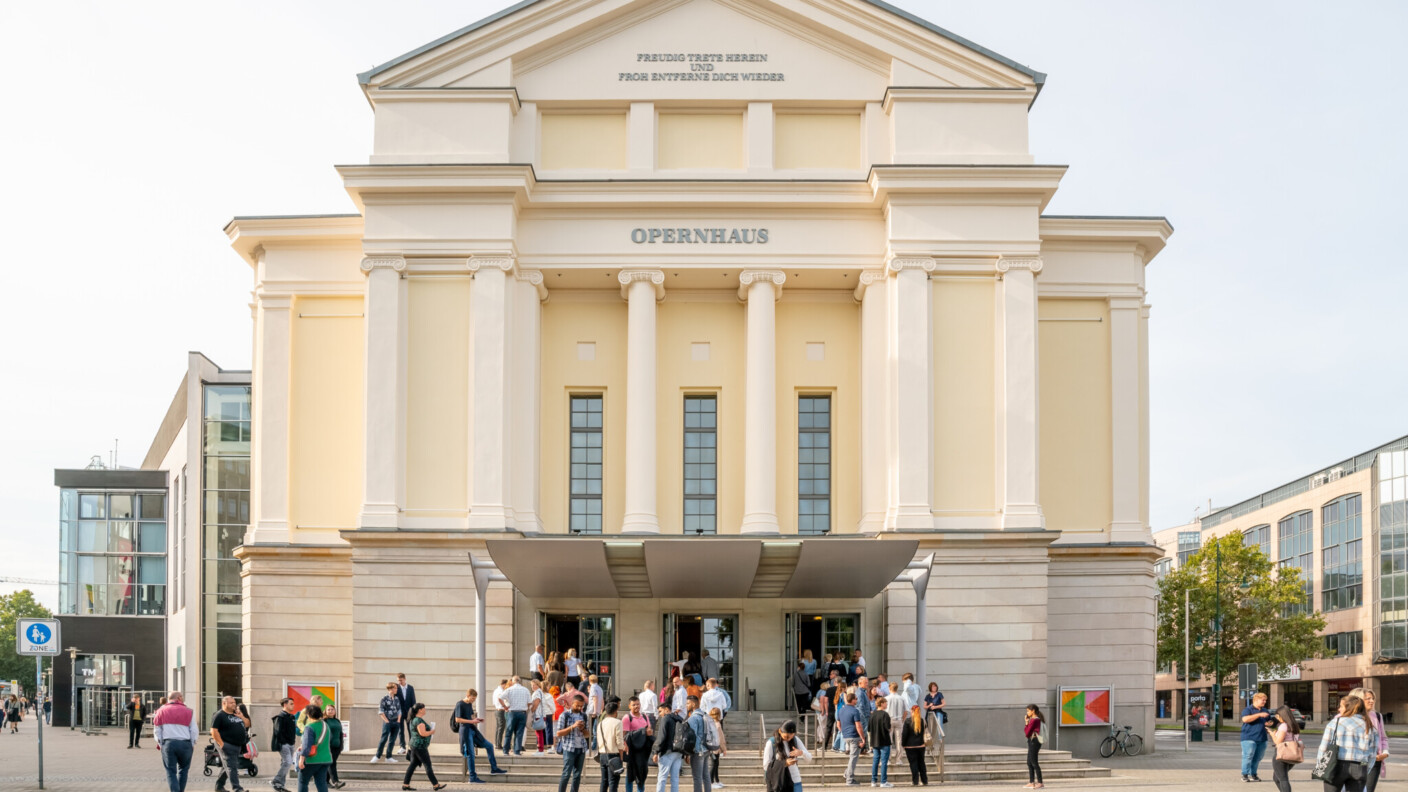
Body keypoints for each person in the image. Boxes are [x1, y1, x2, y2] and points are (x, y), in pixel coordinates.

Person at [1316, 694, 1377, 792]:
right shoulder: (1369, 726)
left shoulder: (1335, 723)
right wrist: (1365, 769)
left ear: (1348, 708)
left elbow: (1323, 748)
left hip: (1336, 765)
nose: (1339, 709)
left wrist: (1321, 766)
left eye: (1341, 706)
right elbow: (1372, 754)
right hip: (1360, 766)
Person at [453, 688, 507, 782]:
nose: (473, 700)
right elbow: (458, 719)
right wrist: (472, 721)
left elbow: (470, 716)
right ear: (468, 695)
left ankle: (494, 769)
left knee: (489, 746)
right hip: (465, 731)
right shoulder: (460, 704)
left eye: (474, 699)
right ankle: (472, 778)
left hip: (472, 730)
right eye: (472, 698)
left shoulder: (469, 704)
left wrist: (477, 719)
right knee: (471, 754)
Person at [154, 691, 199, 792]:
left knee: (170, 771)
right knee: (183, 770)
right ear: (178, 698)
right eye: (182, 696)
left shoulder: (161, 710)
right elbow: (194, 730)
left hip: (169, 743)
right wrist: (192, 743)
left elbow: (157, 730)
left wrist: (161, 744)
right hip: (185, 743)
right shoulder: (188, 711)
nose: (183, 698)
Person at [1349, 687, 1390, 792]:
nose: (1371, 701)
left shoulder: (1377, 716)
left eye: (1372, 698)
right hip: (1354, 762)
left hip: (1374, 761)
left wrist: (1385, 752)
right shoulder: (1345, 717)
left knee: (1369, 790)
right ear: (1357, 700)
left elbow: (1383, 738)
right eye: (1368, 698)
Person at [211, 695, 253, 792]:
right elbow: (213, 731)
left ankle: (219, 787)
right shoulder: (219, 715)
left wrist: (241, 716)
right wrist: (222, 744)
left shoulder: (236, 714)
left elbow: (248, 724)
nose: (234, 704)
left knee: (228, 765)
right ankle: (237, 788)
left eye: (234, 702)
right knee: (232, 767)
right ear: (224, 703)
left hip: (237, 745)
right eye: (231, 703)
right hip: (226, 743)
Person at [402, 703, 446, 792]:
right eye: (424, 708)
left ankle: (405, 784)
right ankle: (435, 785)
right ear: (420, 710)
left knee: (413, 765)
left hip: (415, 745)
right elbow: (422, 733)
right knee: (427, 765)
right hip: (420, 746)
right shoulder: (418, 720)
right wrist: (431, 732)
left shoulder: (414, 719)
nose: (425, 709)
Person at [763, 720, 812, 792]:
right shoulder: (771, 743)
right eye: (786, 736)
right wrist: (784, 763)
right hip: (780, 783)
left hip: (795, 781)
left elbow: (809, 759)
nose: (789, 739)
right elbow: (766, 765)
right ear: (780, 731)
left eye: (791, 737)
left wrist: (801, 753)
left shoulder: (796, 740)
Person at [295, 703, 334, 792]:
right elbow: (329, 739)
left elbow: (306, 745)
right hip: (326, 759)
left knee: (303, 782)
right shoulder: (325, 725)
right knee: (321, 783)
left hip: (312, 760)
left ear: (309, 715)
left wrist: (301, 759)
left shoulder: (309, 727)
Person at [558, 694, 590, 792]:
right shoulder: (565, 715)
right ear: (572, 703)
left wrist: (582, 728)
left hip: (581, 748)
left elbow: (588, 734)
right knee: (566, 773)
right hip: (569, 748)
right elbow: (559, 733)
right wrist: (573, 726)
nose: (580, 708)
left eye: (582, 706)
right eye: (578, 705)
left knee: (577, 775)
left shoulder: (584, 716)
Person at [1266, 704, 1302, 792]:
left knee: (1283, 779)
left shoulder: (1283, 726)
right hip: (1292, 755)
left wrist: (1272, 734)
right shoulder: (1294, 725)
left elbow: (1278, 742)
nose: (1277, 718)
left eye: (1278, 716)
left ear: (1282, 715)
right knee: (1276, 778)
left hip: (1282, 755)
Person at [1240, 691, 1273, 783]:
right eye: (1263, 700)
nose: (1264, 702)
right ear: (1256, 700)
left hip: (1262, 738)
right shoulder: (1248, 709)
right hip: (1248, 737)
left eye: (1265, 700)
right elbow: (1245, 719)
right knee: (1248, 756)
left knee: (1258, 757)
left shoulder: (1265, 710)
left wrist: (1269, 723)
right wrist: (1259, 715)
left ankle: (1253, 774)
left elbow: (1269, 721)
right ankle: (1244, 774)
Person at [623, 696, 653, 792]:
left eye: (638, 704)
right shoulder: (627, 718)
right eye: (634, 705)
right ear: (629, 706)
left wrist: (648, 732)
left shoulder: (645, 716)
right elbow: (624, 735)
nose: (636, 706)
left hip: (643, 750)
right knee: (630, 774)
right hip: (632, 750)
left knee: (642, 773)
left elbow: (649, 731)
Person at [652, 702, 683, 792]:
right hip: (678, 752)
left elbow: (661, 736)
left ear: (667, 709)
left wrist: (656, 751)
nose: (660, 714)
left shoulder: (666, 718)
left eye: (660, 711)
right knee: (675, 778)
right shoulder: (680, 719)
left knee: (662, 778)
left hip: (667, 751)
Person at [273, 696, 301, 792]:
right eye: (291, 704)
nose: (293, 705)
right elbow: (278, 732)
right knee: (288, 762)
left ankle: (280, 785)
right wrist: (283, 742)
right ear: (285, 705)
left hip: (291, 743)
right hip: (283, 744)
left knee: (284, 763)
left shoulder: (292, 717)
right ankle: (276, 780)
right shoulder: (280, 717)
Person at [598, 698, 626, 792]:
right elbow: (619, 741)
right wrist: (621, 757)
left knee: (604, 781)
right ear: (616, 711)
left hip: (602, 754)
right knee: (613, 781)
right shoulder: (617, 722)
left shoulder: (600, 723)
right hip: (614, 754)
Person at [684, 695, 710, 792]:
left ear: (693, 703)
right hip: (707, 749)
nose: (686, 705)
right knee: (706, 775)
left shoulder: (693, 718)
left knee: (697, 778)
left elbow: (692, 737)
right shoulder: (705, 714)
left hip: (698, 751)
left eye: (688, 703)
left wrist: (688, 753)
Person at [838, 692, 865, 785]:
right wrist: (863, 738)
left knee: (852, 757)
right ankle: (849, 779)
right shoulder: (855, 711)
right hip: (854, 736)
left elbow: (838, 724)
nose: (857, 700)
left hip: (846, 736)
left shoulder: (841, 710)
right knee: (853, 758)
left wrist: (843, 732)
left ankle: (847, 773)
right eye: (856, 699)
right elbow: (858, 725)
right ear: (852, 700)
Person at [374, 682, 402, 763]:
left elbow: (399, 710)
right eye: (395, 688)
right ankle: (377, 756)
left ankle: (388, 757)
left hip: (396, 722)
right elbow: (381, 711)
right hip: (388, 722)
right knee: (384, 739)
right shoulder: (384, 699)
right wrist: (387, 721)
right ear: (390, 689)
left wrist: (398, 720)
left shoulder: (396, 699)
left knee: (392, 740)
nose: (397, 690)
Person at [899, 706, 927, 787]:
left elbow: (904, 734)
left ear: (912, 711)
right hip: (921, 745)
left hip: (910, 746)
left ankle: (915, 781)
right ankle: (924, 780)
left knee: (913, 764)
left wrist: (903, 744)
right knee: (921, 763)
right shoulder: (922, 721)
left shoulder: (908, 721)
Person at [504, 675, 532, 755]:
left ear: (513, 681)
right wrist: (526, 707)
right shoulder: (525, 690)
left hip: (512, 712)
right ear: (520, 681)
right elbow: (530, 702)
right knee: (519, 733)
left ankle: (506, 751)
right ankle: (517, 751)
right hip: (522, 712)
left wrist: (505, 706)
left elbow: (500, 697)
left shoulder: (509, 689)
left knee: (509, 732)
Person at [869, 697, 893, 788]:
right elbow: (888, 727)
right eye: (885, 703)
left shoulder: (872, 714)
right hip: (884, 740)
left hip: (874, 741)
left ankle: (873, 781)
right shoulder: (885, 715)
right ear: (882, 703)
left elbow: (869, 728)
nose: (886, 705)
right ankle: (883, 781)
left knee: (875, 761)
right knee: (884, 762)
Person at [323, 704, 346, 790]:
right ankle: (336, 782)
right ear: (325, 711)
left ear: (335, 711)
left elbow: (340, 734)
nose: (330, 711)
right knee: (332, 764)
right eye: (328, 709)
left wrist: (341, 745)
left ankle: (325, 782)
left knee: (330, 764)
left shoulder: (337, 721)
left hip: (337, 746)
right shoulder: (324, 721)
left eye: (332, 709)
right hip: (328, 747)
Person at [1023, 705, 1045, 790]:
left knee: (1034, 762)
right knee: (1029, 762)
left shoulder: (1035, 720)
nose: (1027, 713)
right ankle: (1032, 782)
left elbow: (1027, 733)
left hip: (1034, 742)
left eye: (1028, 711)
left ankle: (1040, 783)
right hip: (1033, 741)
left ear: (1033, 711)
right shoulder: (1035, 720)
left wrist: (1026, 723)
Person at [396, 673, 418, 755]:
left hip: (409, 713)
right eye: (398, 681)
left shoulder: (410, 688)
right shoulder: (397, 688)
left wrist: (414, 713)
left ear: (404, 679)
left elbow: (413, 701)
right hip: (400, 713)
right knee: (400, 730)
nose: (399, 682)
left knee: (411, 730)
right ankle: (402, 747)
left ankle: (412, 747)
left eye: (401, 680)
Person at [884, 684, 906, 767]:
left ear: (890, 688)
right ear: (897, 688)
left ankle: (888, 759)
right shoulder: (901, 698)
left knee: (888, 740)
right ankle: (898, 759)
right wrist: (902, 720)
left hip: (889, 720)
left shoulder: (886, 698)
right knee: (899, 740)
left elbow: (884, 711)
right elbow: (906, 711)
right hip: (899, 720)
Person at [706, 707, 728, 789]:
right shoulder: (718, 724)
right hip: (716, 748)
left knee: (715, 764)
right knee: (714, 765)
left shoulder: (710, 723)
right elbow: (720, 738)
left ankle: (717, 780)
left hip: (711, 747)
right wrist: (724, 749)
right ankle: (711, 782)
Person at [587, 674, 606, 755]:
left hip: (592, 711)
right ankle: (594, 746)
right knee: (595, 729)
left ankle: (593, 747)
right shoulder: (600, 688)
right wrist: (601, 709)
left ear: (589, 680)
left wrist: (594, 711)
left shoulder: (593, 688)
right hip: (597, 711)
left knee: (591, 729)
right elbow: (602, 700)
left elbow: (595, 699)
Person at [493, 679, 512, 753]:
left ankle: (497, 743)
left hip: (497, 710)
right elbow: (500, 700)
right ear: (504, 684)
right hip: (501, 710)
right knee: (501, 727)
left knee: (498, 727)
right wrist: (505, 706)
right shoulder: (501, 691)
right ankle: (498, 744)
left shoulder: (496, 690)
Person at [814, 682, 832, 749]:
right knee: (823, 725)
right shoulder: (824, 692)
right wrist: (824, 710)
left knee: (820, 725)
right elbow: (823, 701)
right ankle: (821, 738)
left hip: (818, 711)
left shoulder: (819, 691)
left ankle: (818, 738)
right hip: (822, 711)